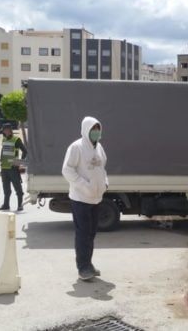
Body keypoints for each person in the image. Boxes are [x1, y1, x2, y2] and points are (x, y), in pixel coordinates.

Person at [62, 117, 108, 281]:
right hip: (80, 199)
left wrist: (105, 183)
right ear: (86, 130)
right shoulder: (76, 147)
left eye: (98, 128)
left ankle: (88, 264)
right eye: (93, 129)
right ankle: (83, 268)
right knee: (83, 234)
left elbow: (102, 168)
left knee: (91, 233)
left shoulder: (99, 147)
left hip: (96, 198)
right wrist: (84, 185)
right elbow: (67, 170)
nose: (96, 132)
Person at [0, 124, 28, 212]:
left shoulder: (16, 140)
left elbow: (25, 151)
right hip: (4, 168)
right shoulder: (4, 139)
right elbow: (3, 151)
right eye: (3, 130)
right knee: (6, 188)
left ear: (9, 130)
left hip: (12, 168)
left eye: (5, 130)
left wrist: (19, 163)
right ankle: (6, 205)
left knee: (18, 187)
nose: (4, 132)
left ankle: (20, 205)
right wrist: (1, 159)